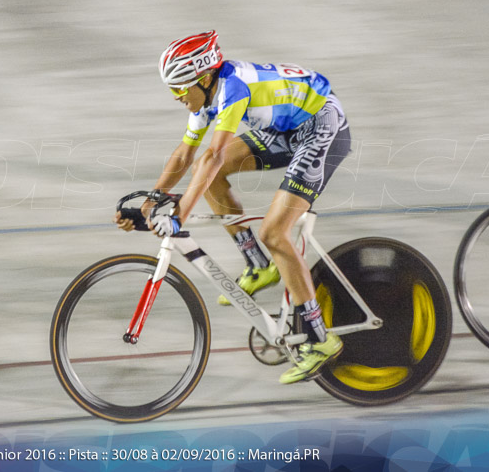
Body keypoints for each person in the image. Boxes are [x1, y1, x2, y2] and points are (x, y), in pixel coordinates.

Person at [114, 30, 352, 383]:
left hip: (320, 127)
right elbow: (185, 155)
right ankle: (258, 265)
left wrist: (178, 215)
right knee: (204, 172)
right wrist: (151, 204)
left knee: (274, 232)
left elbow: (213, 155)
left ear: (204, 77)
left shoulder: (232, 88)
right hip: (286, 126)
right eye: (172, 90)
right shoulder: (210, 93)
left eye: (180, 89)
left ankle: (320, 339)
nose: (177, 97)